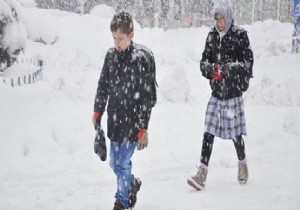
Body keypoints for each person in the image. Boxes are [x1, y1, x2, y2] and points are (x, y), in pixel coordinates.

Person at [187, 0, 254, 190]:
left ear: (229, 16)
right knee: (208, 132)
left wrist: (227, 69)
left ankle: (242, 164)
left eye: (222, 18)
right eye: (216, 18)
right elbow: (203, 63)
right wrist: (211, 70)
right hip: (216, 93)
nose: (219, 22)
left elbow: (247, 66)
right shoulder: (211, 36)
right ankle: (202, 173)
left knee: (235, 135)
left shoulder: (240, 35)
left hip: (232, 93)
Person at [93, 11, 156, 210]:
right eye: (114, 38)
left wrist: (142, 127)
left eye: (120, 38)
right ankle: (132, 183)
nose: (117, 43)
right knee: (114, 163)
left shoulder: (139, 60)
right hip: (114, 121)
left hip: (132, 122)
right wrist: (97, 110)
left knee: (121, 163)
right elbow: (103, 85)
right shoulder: (110, 57)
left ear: (131, 36)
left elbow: (146, 98)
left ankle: (121, 201)